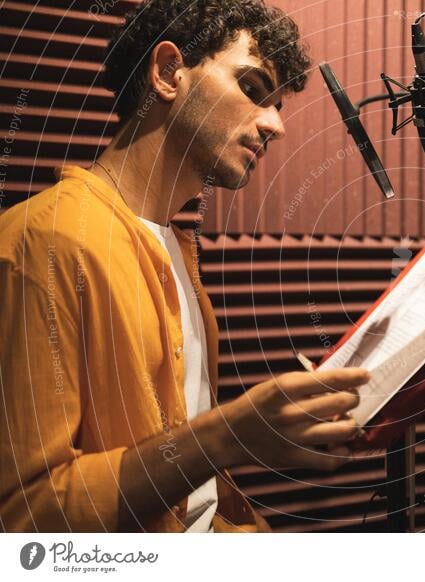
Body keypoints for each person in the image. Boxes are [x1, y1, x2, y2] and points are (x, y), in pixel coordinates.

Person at [0, 0, 368, 533]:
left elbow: (188, 501)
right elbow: (24, 519)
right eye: (253, 88)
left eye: (279, 104)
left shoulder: (175, 250)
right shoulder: (41, 242)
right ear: (169, 72)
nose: (275, 125)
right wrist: (226, 437)